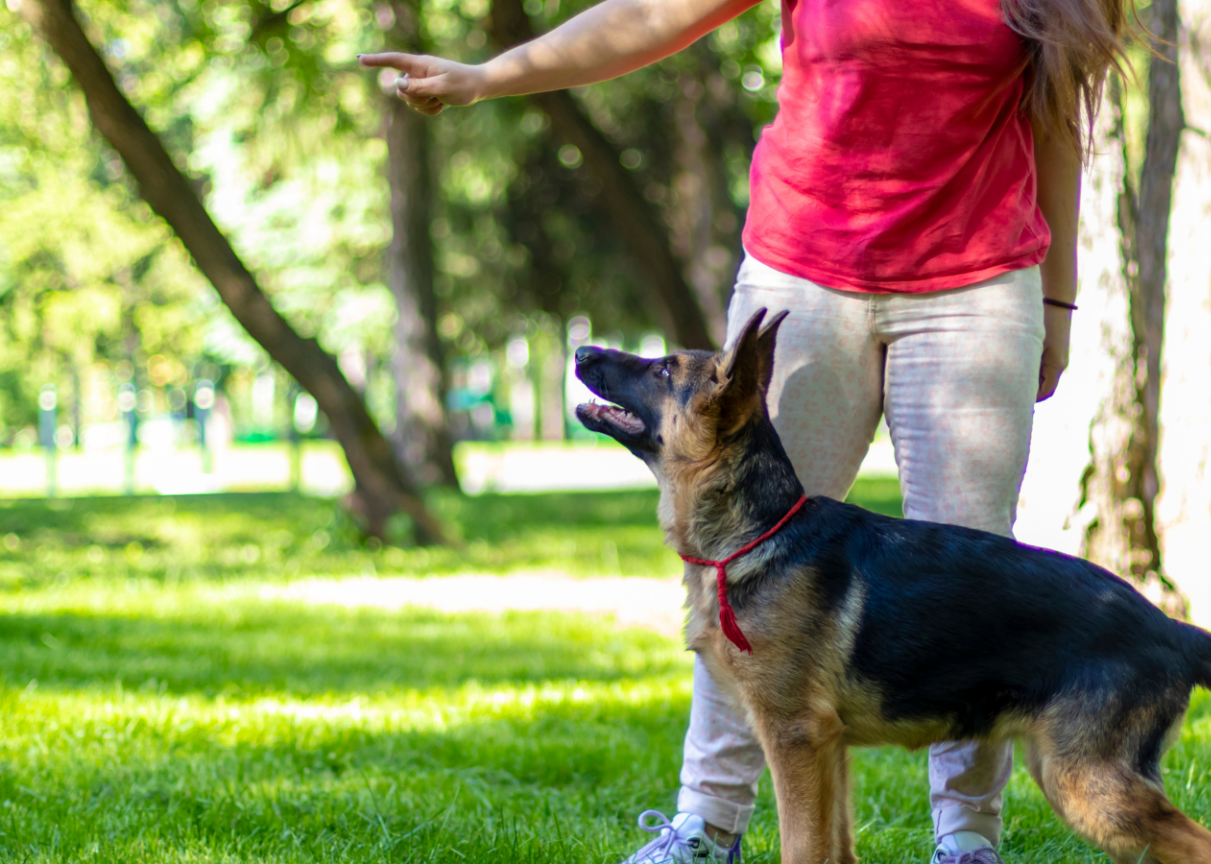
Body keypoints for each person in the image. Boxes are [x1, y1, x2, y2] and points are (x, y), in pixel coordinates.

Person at [361, 0, 1124, 860]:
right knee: (743, 563)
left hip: (975, 289)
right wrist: (485, 77)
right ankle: (706, 824)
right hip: (804, 282)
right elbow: (652, 12)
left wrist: (1058, 300)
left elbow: (1057, 124)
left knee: (972, 572)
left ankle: (967, 840)